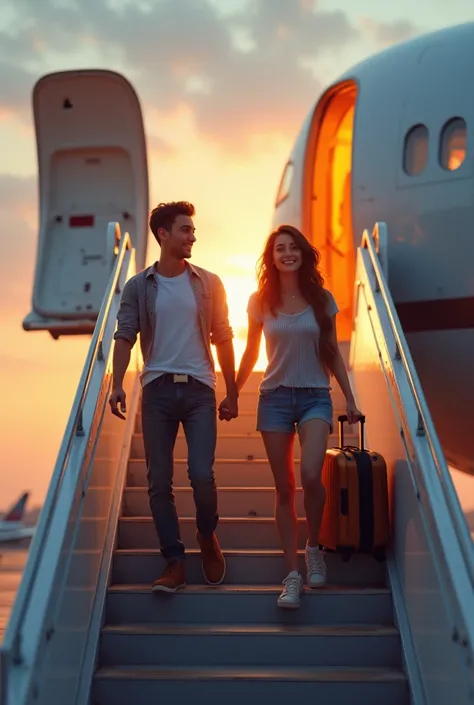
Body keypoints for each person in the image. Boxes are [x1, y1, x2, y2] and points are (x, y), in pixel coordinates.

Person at [109, 201, 239, 593]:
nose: (192, 237)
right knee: (158, 481)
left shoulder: (209, 283)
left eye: (193, 231)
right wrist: (117, 383)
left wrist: (232, 391)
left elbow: (223, 336)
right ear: (163, 234)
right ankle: (174, 560)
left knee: (201, 474)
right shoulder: (138, 286)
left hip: (200, 389)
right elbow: (125, 335)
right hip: (158, 391)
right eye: (185, 230)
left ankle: (206, 534)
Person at [234, 224, 363, 609]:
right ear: (271, 258)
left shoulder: (322, 299)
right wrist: (231, 392)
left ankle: (313, 547)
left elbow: (332, 352)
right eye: (279, 249)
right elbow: (251, 351)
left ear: (303, 253)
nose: (286, 253)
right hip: (273, 397)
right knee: (284, 488)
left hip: (315, 398)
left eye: (292, 247)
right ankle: (292, 576)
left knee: (311, 473)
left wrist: (350, 399)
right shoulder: (261, 300)